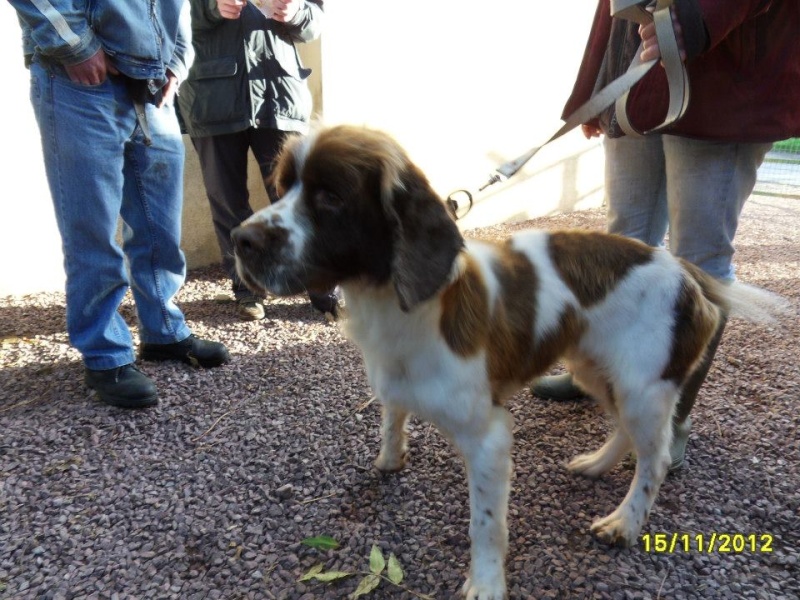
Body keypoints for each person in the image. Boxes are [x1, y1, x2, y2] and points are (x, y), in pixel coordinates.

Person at [531, 0, 800, 468]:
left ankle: (669, 418)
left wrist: (694, 21)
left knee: (700, 265)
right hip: (640, 69)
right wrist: (597, 80)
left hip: (728, 75)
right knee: (622, 242)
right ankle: (596, 374)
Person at [12, 0, 231, 410]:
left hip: (152, 86)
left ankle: (164, 331)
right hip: (78, 82)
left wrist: (178, 61)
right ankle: (105, 353)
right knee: (91, 230)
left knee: (159, 226)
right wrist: (76, 46)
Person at [178, 0, 338, 321]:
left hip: (280, 94)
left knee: (296, 196)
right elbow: (163, 16)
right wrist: (211, 8)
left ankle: (321, 286)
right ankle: (247, 287)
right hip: (212, 97)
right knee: (227, 200)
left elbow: (315, 20)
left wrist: (296, 13)